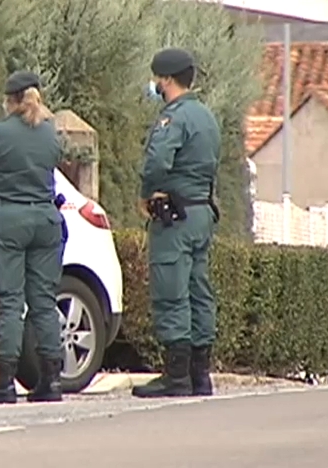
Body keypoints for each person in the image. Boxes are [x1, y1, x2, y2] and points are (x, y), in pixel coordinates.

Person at [0, 71, 65, 405]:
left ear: (10, 101)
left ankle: (5, 382)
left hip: (8, 219)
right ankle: (51, 380)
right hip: (46, 219)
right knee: (44, 302)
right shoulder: (50, 133)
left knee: (9, 302)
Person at [132, 47, 222, 398]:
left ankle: (176, 377)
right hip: (202, 211)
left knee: (171, 292)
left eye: (156, 78)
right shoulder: (206, 116)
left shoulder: (174, 117)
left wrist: (146, 193)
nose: (153, 84)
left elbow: (157, 161)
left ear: (166, 80)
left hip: (176, 215)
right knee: (199, 291)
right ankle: (201, 376)